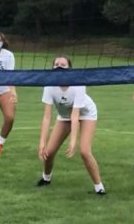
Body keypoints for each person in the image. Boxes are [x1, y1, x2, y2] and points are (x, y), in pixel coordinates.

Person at [37, 55, 105, 195]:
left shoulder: (78, 84)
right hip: (64, 116)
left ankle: (99, 188)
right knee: (48, 152)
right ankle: (46, 178)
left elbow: (76, 115)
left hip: (86, 114)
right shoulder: (49, 85)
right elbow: (47, 117)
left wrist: (73, 141)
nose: (59, 67)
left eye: (63, 65)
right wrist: (42, 142)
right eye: (56, 64)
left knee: (84, 151)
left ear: (70, 69)